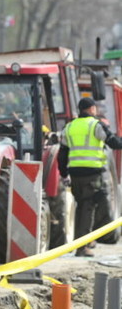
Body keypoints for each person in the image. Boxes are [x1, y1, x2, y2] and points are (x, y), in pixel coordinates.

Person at [57, 97, 122, 256]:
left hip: (75, 174)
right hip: (92, 174)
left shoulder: (69, 127)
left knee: (82, 207)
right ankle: (82, 246)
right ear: (92, 109)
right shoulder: (96, 125)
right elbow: (113, 142)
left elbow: (62, 154)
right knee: (91, 206)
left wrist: (64, 174)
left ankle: (85, 239)